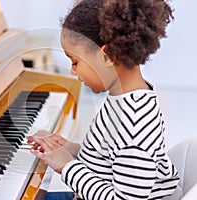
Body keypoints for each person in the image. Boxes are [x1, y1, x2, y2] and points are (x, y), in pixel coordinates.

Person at [27, 0, 181, 199]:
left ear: (108, 56)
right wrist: (70, 149)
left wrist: (67, 167)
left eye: (75, 62)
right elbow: (108, 158)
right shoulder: (123, 97)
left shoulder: (134, 122)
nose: (73, 71)